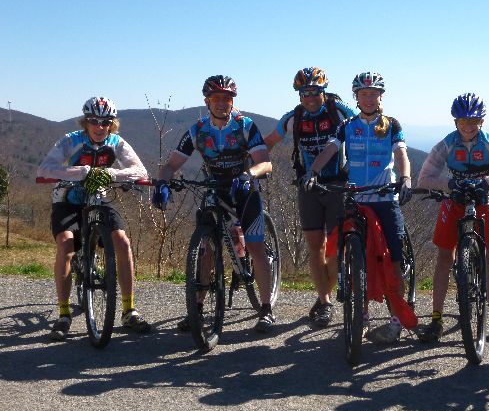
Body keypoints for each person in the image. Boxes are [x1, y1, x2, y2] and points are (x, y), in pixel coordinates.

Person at [153, 76, 276, 332]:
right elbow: (171, 165)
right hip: (215, 189)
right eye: (216, 98)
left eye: (227, 98)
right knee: (206, 248)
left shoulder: (245, 126)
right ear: (207, 101)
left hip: (244, 189)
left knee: (255, 246)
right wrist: (162, 183)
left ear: (232, 101)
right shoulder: (198, 130)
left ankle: (266, 309)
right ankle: (196, 309)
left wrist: (249, 175)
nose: (222, 103)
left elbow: (266, 163)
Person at [306, 71, 414, 343]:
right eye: (363, 94)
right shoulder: (347, 126)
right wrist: (313, 172)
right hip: (356, 200)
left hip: (384, 199)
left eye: (373, 94)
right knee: (356, 261)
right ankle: (361, 317)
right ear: (356, 97)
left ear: (380, 97)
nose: (368, 98)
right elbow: (330, 150)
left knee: (394, 261)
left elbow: (401, 153)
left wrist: (405, 178)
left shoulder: (391, 124)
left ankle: (396, 322)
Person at [416, 93, 489, 344]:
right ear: (455, 122)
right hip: (453, 202)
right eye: (463, 121)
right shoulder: (447, 144)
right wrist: (449, 184)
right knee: (444, 258)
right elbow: (424, 178)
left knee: (488, 258)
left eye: (474, 121)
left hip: (482, 202)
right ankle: (436, 319)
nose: (468, 126)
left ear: (482, 121)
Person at [37, 97, 151, 340]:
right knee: (66, 245)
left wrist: (110, 174)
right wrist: (81, 172)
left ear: (112, 124)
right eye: (94, 121)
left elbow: (140, 170)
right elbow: (45, 169)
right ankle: (64, 314)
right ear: (85, 122)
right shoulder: (71, 140)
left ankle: (129, 310)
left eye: (106, 122)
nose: (100, 127)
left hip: (99, 199)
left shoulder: (116, 142)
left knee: (122, 242)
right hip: (67, 199)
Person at [264, 68, 356, 328]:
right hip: (308, 186)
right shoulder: (294, 118)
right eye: (305, 93)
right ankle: (325, 302)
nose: (310, 98)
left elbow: (365, 127)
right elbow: (269, 141)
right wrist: (252, 161)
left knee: (335, 248)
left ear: (324, 91)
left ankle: (325, 292)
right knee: (315, 245)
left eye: (315, 92)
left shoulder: (339, 111)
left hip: (338, 184)